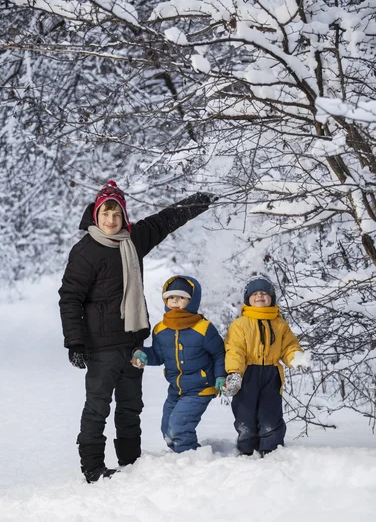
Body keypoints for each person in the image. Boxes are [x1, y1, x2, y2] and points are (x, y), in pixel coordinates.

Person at [58, 181, 217, 482]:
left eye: (117, 214)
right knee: (97, 408)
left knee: (131, 406)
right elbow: (70, 298)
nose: (111, 220)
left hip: (133, 345)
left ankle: (130, 464)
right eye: (106, 213)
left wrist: (201, 199)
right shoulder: (85, 252)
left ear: (124, 216)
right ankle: (92, 468)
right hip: (101, 347)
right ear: (96, 214)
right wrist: (75, 342)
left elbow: (166, 219)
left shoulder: (134, 239)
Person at [131, 276, 225, 453]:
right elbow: (158, 355)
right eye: (171, 297)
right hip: (176, 388)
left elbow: (219, 353)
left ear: (192, 300)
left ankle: (189, 458)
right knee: (167, 429)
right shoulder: (161, 329)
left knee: (179, 427)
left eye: (181, 297)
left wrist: (220, 376)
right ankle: (180, 456)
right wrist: (142, 354)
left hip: (201, 387)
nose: (175, 300)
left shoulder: (203, 328)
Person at [221, 275, 309, 457]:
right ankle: (247, 449)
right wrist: (235, 373)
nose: (259, 296)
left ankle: (271, 450)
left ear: (271, 298)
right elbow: (234, 350)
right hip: (247, 374)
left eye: (264, 293)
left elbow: (289, 346)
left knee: (270, 413)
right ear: (248, 299)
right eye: (255, 293)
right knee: (245, 414)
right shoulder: (240, 325)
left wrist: (296, 358)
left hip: (271, 375)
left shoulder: (280, 324)